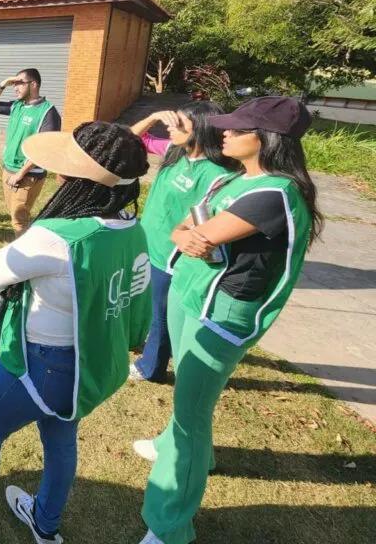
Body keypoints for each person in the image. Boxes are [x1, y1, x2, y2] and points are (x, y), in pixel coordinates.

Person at [0, 122, 151, 544]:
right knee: (61, 442)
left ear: (80, 180)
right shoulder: (133, 230)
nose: (60, 174)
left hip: (37, 365)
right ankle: (46, 525)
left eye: (68, 168)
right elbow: (137, 307)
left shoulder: (58, 236)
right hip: (85, 368)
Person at [136, 97, 322, 544]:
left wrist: (192, 235)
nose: (225, 134)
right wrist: (188, 235)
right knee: (190, 398)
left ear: (267, 140)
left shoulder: (273, 193)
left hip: (221, 315)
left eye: (238, 130)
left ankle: (169, 526)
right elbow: (181, 230)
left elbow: (204, 233)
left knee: (190, 416)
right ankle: (176, 447)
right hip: (191, 294)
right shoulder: (236, 181)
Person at [127, 103, 235, 383]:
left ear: (200, 132)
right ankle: (150, 347)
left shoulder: (217, 174)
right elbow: (131, 139)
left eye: (180, 126)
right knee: (149, 307)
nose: (171, 129)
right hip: (146, 243)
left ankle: (151, 367)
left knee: (161, 314)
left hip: (172, 255)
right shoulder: (175, 152)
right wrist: (152, 116)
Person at [0, 68, 61, 237]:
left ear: (33, 84)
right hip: (8, 169)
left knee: (19, 220)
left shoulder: (48, 112)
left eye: (20, 83)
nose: (15, 87)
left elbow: (44, 149)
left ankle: (26, 258)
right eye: (14, 83)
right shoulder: (16, 106)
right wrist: (3, 84)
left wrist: (20, 173)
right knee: (15, 214)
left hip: (27, 175)